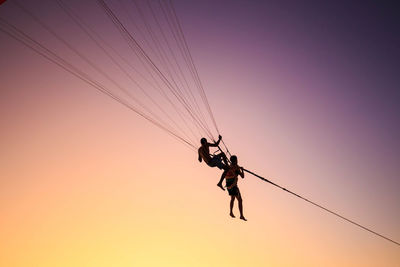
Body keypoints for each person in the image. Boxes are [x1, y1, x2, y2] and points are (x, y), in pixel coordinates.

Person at [225, 155, 246, 221]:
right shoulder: (236, 167)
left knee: (232, 198)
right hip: (233, 185)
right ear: (235, 160)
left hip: (228, 185)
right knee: (240, 200)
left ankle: (231, 212)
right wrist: (242, 170)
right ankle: (241, 215)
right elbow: (242, 176)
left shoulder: (229, 166)